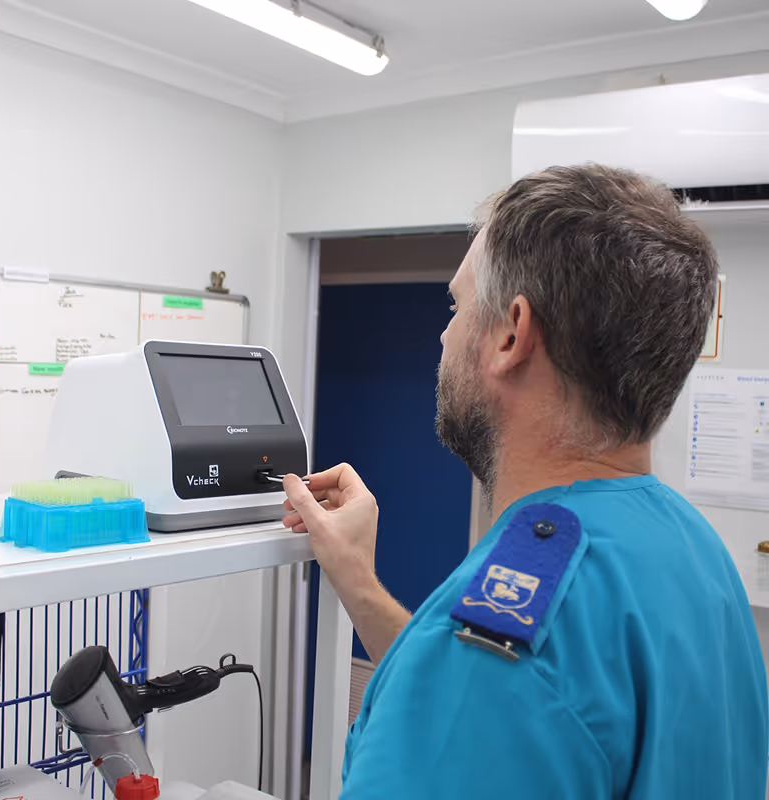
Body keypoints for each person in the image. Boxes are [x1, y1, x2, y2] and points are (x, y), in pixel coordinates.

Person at [283, 164, 769, 799]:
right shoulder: (694, 553)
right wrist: (358, 580)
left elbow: (493, 695)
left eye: (456, 305)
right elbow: (517, 711)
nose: (443, 331)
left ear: (511, 332)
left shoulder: (516, 635)